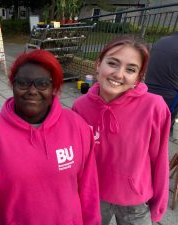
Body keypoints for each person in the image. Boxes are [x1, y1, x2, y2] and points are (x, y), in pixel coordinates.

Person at [0, 49, 101, 225]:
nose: (32, 91)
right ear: (12, 85)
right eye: (23, 83)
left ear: (54, 89)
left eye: (42, 83)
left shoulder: (77, 127)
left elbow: (89, 188)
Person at [72, 35, 171, 225]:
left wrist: (158, 205)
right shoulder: (80, 107)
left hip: (135, 201)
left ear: (139, 76)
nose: (119, 74)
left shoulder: (154, 107)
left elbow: (159, 161)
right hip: (94, 196)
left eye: (131, 69)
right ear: (98, 64)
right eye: (113, 63)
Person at [145, 31, 178, 135]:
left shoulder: (162, 40)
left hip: (149, 87)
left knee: (147, 120)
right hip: (170, 94)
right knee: (162, 128)